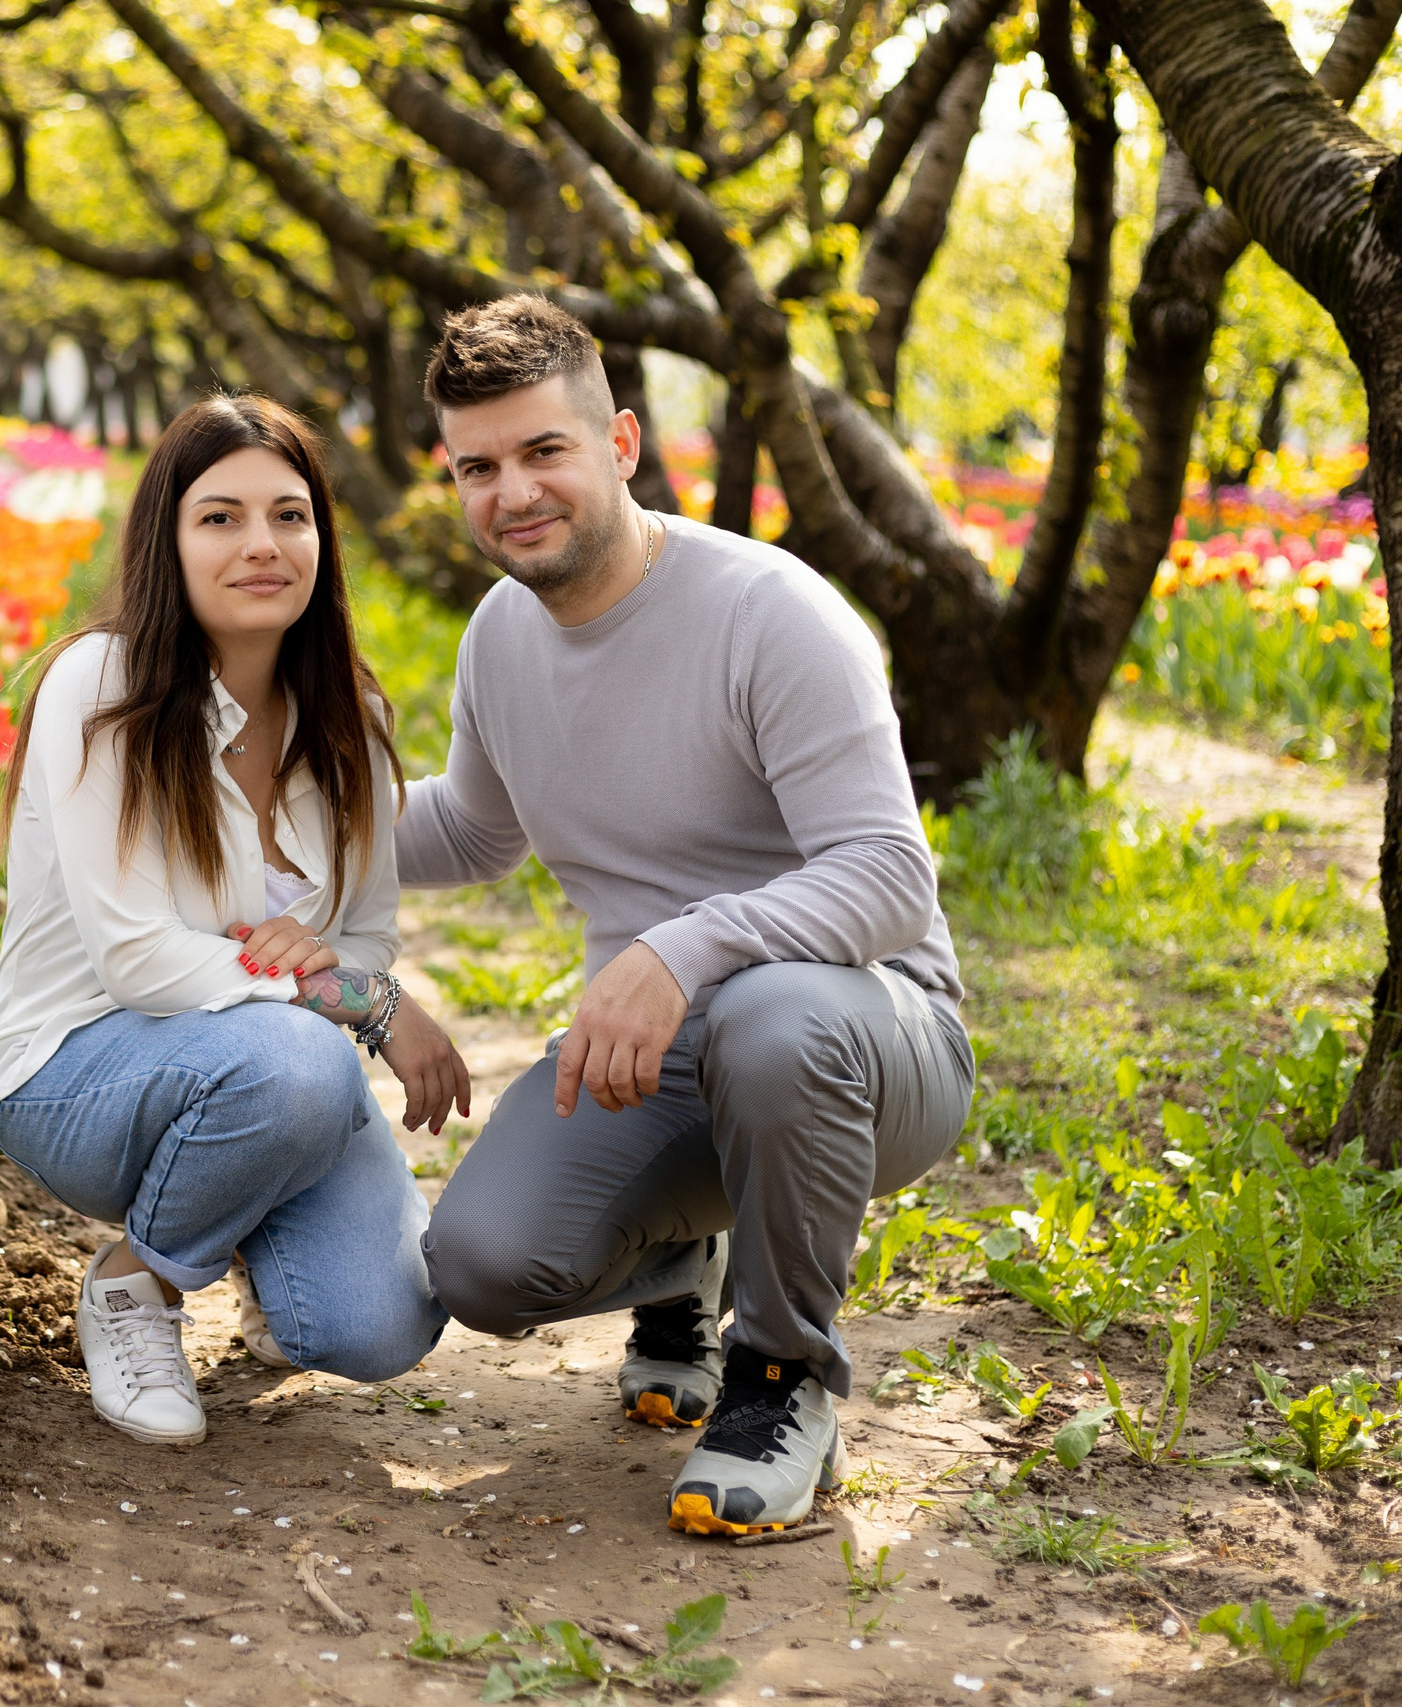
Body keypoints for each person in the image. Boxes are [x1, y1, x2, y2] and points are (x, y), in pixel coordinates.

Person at [400, 296, 974, 1535]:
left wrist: (681, 944)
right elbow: (471, 830)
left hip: (872, 1045)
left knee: (769, 1020)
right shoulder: (501, 635)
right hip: (654, 1064)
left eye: (543, 451)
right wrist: (274, 824)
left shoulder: (769, 613)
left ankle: (777, 1378)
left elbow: (887, 876)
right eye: (477, 467)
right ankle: (686, 1264)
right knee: (482, 1267)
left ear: (618, 443)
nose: (512, 493)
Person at [0, 394, 469, 1447]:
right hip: (74, 1073)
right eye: (221, 517)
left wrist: (339, 969)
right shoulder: (100, 688)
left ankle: (242, 1216)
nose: (262, 545)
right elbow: (140, 960)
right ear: (168, 537)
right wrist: (350, 996)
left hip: (257, 1068)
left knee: (379, 1326)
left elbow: (365, 931)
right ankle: (135, 1285)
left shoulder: (354, 720)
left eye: (290, 517)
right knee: (300, 1061)